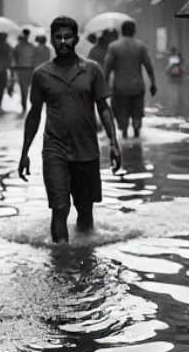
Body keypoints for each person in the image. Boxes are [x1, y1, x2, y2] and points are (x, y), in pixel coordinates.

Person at [18, 16, 122, 243]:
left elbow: (104, 109)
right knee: (60, 208)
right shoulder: (41, 74)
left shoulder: (92, 70)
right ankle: (61, 268)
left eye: (68, 37)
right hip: (55, 150)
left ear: (76, 39)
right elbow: (34, 114)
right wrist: (24, 153)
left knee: (85, 214)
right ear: (52, 40)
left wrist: (114, 143)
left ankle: (85, 268)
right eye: (58, 37)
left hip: (87, 150)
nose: (63, 41)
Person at [103, 20, 158, 140]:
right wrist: (153, 83)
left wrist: (103, 85)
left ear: (122, 31)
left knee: (121, 114)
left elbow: (107, 67)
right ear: (134, 31)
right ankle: (136, 130)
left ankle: (124, 133)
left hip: (119, 88)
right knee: (137, 114)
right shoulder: (141, 46)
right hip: (137, 87)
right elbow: (149, 66)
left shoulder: (114, 47)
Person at [13, 30, 39, 113]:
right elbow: (35, 59)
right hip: (29, 69)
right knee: (28, 87)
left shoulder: (18, 47)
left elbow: (14, 57)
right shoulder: (32, 47)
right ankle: (28, 103)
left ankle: (24, 104)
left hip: (21, 69)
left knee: (23, 88)